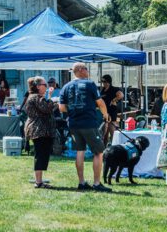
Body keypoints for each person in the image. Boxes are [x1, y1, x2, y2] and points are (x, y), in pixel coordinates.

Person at [59, 62, 112, 192]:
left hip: (73, 124)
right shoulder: (90, 84)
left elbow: (61, 107)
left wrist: (73, 110)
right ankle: (96, 183)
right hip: (88, 123)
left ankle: (82, 182)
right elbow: (100, 103)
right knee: (98, 152)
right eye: (86, 69)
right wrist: (106, 115)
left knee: (80, 151)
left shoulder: (66, 86)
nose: (88, 71)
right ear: (80, 70)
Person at [24, 76, 57, 189]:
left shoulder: (36, 97)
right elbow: (47, 108)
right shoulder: (36, 97)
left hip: (40, 130)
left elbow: (46, 107)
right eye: (45, 85)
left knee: (42, 155)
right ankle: (38, 182)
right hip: (39, 130)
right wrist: (52, 98)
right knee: (40, 155)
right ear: (38, 87)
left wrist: (49, 97)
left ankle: (39, 180)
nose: (47, 87)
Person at [99, 74, 123, 145]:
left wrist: (114, 100)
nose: (103, 83)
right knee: (104, 132)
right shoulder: (103, 90)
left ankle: (114, 145)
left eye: (105, 81)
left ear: (109, 82)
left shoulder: (113, 89)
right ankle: (104, 147)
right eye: (102, 81)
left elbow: (121, 95)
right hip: (104, 112)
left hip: (111, 112)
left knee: (111, 130)